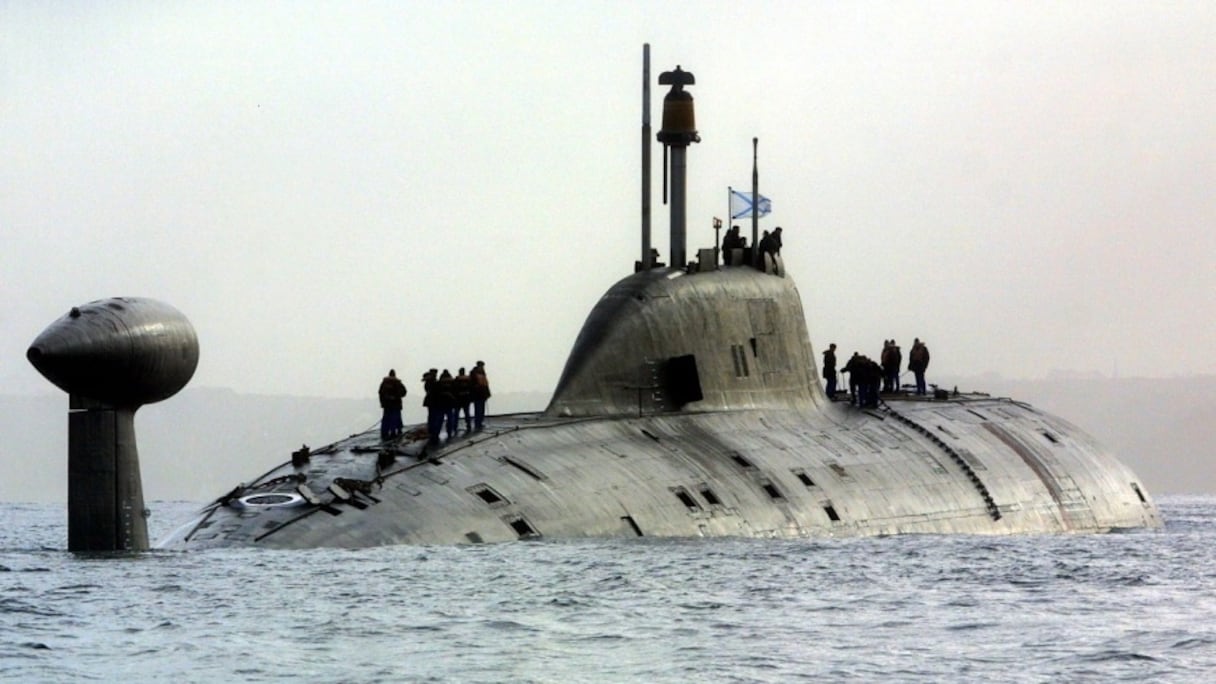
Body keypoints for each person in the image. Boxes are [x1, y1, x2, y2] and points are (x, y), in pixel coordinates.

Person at [378, 369, 407, 439]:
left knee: (386, 419)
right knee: (395, 418)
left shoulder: (384, 383)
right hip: (396, 404)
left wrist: (383, 403)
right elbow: (404, 392)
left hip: (387, 405)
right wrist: (396, 397)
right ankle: (394, 432)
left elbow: (380, 393)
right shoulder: (398, 383)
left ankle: (384, 433)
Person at [469, 360, 491, 431]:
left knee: (481, 410)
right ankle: (477, 423)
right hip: (477, 395)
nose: (482, 367)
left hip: (482, 395)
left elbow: (485, 385)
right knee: (478, 409)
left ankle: (480, 422)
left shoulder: (483, 373)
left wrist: (487, 394)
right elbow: (472, 385)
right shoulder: (473, 374)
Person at [436, 369, 458, 439]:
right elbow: (455, 392)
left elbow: (437, 393)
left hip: (441, 404)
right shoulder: (452, 382)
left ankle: (437, 432)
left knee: (440, 419)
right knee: (450, 418)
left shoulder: (439, 383)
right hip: (449, 403)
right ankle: (449, 431)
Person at [422, 369, 441, 445]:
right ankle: (434, 432)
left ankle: (431, 430)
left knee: (431, 416)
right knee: (434, 416)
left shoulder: (428, 382)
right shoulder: (434, 382)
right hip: (434, 401)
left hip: (430, 401)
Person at [453, 367, 473, 432]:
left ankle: (455, 426)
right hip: (466, 398)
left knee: (456, 414)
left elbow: (454, 388)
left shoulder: (457, 379)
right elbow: (471, 388)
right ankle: (468, 425)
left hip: (458, 399)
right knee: (467, 413)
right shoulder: (468, 379)